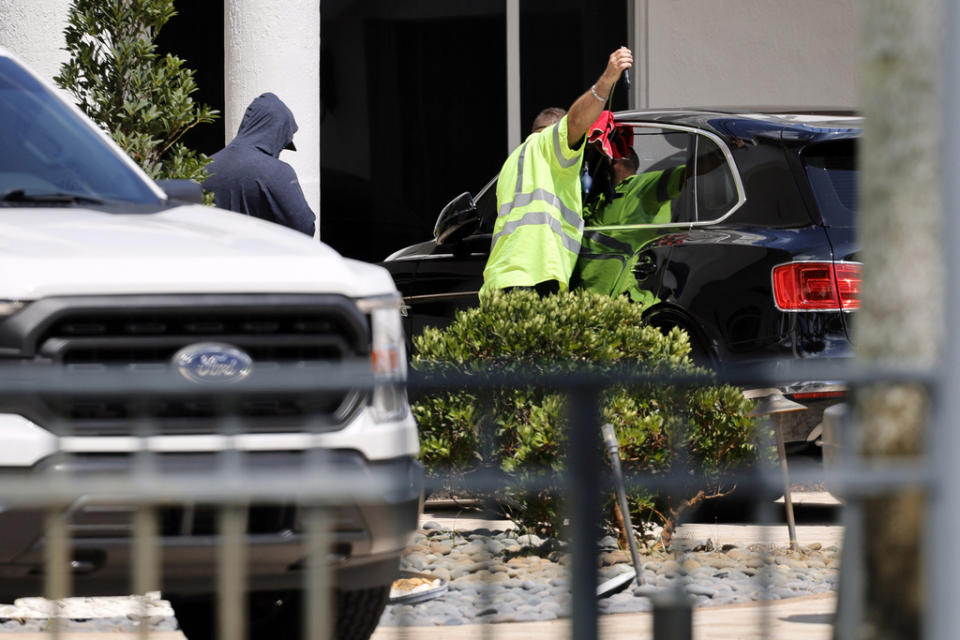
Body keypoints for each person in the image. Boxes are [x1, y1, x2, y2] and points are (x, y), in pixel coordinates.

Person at [480, 47, 633, 296]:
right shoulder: (548, 146)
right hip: (536, 276)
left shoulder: (513, 162)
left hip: (500, 279)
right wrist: (606, 80)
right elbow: (574, 122)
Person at [202, 92, 316, 236]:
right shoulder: (277, 172)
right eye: (283, 143)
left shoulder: (204, 167)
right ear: (277, 134)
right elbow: (305, 229)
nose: (280, 150)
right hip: (260, 256)